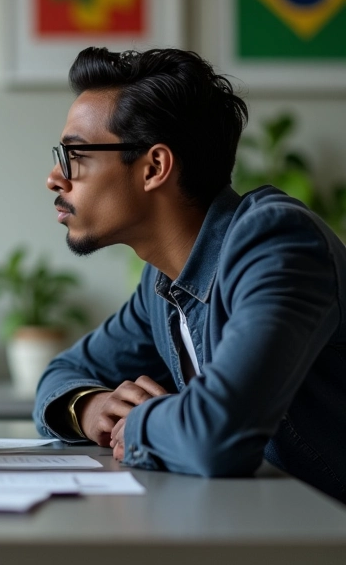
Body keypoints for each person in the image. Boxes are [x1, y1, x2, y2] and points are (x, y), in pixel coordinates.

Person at [34, 46, 346, 504]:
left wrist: (139, 423)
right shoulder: (160, 283)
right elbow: (62, 372)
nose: (55, 178)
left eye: (76, 154)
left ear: (154, 167)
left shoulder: (278, 244)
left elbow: (218, 436)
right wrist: (91, 406)